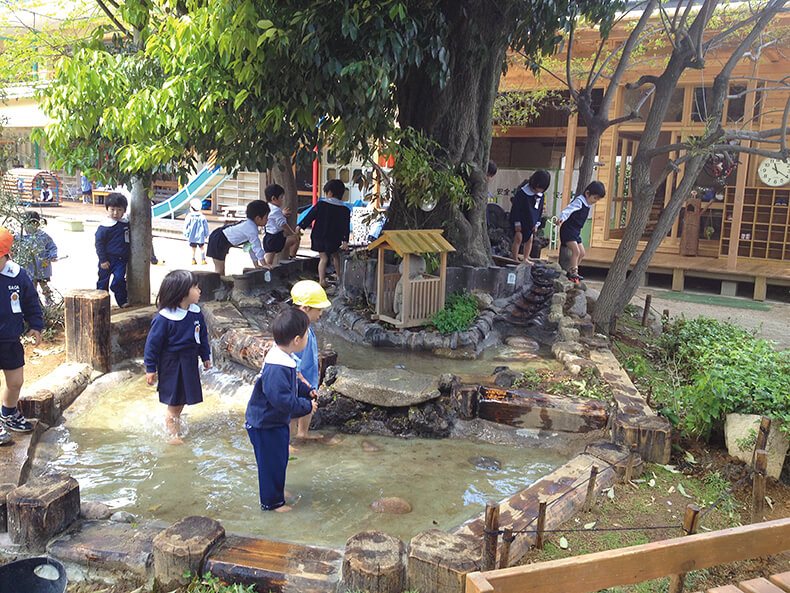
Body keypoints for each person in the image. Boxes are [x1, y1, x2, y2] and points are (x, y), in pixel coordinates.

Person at [246, 307, 317, 512]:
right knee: (270, 464)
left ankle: (276, 491)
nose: (307, 339)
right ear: (296, 340)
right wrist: (306, 406)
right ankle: (272, 503)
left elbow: (292, 383)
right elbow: (282, 401)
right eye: (306, 335)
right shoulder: (278, 366)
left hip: (272, 422)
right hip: (265, 424)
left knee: (279, 459)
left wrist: (307, 391)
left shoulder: (283, 357)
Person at [144, 270, 211, 444]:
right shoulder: (165, 318)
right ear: (182, 292)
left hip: (189, 361)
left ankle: (175, 422)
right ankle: (173, 432)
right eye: (195, 287)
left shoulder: (196, 312)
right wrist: (150, 368)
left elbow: (202, 336)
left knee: (183, 397)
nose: (199, 291)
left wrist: (205, 355)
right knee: (174, 398)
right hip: (172, 364)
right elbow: (152, 344)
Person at [0, 226, 43, 445]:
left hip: (10, 339)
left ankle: (8, 414)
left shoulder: (17, 275)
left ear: (8, 255)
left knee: (15, 381)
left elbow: (30, 301)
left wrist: (35, 324)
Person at [290, 280, 331, 440]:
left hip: (310, 376)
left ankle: (303, 433)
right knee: (292, 412)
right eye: (319, 309)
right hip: (299, 379)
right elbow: (292, 359)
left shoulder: (307, 327)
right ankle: (287, 441)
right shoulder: (296, 332)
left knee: (309, 403)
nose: (321, 313)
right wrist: (301, 378)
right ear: (305, 308)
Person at [296, 179, 350, 287]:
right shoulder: (345, 209)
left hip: (319, 236)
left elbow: (310, 216)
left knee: (323, 258)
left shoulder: (321, 205)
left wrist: (300, 226)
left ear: (329, 192)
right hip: (334, 238)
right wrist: (345, 241)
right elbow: (345, 226)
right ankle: (339, 277)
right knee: (335, 256)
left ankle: (322, 280)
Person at [557, 181, 606, 282]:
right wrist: (562, 217)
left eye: (597, 199)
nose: (595, 201)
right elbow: (569, 209)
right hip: (568, 230)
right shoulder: (580, 201)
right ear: (587, 193)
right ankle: (573, 273)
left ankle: (573, 271)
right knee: (576, 251)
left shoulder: (587, 204)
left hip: (576, 231)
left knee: (582, 253)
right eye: (595, 198)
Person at [205, 199, 270, 276]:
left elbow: (251, 247)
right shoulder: (251, 229)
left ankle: (220, 285)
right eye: (266, 217)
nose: (267, 220)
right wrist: (264, 264)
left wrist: (256, 264)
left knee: (221, 271)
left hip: (221, 238)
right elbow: (257, 248)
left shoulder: (250, 225)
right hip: (218, 240)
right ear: (258, 218)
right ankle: (216, 286)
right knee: (219, 270)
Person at [95, 192, 130, 308]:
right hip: (107, 260)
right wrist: (103, 260)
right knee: (102, 282)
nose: (115, 213)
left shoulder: (125, 224)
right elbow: (99, 244)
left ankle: (122, 301)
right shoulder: (104, 227)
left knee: (119, 279)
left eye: (119, 210)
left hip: (120, 260)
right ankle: (100, 304)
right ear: (107, 209)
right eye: (112, 209)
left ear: (124, 210)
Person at [510, 170, 551, 265]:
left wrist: (537, 223)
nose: (537, 192)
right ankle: (515, 258)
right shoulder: (522, 193)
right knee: (518, 239)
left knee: (530, 239)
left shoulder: (541, 196)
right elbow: (516, 209)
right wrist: (517, 223)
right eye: (536, 189)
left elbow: (540, 210)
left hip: (531, 222)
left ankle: (526, 257)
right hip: (520, 221)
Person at [17, 211, 58, 303]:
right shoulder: (21, 237)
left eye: (31, 225)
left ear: (38, 224)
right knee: (31, 285)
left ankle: (49, 300)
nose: (28, 228)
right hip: (29, 268)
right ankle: (34, 302)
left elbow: (52, 247)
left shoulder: (43, 236)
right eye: (26, 225)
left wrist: (53, 256)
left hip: (42, 267)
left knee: (44, 284)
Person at [262, 184, 301, 266]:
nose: (282, 200)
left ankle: (263, 272)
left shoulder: (267, 207)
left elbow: (273, 217)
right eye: (281, 198)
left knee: (268, 260)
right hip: (276, 238)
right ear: (273, 198)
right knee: (295, 239)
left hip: (268, 237)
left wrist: (282, 214)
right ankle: (291, 258)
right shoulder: (276, 210)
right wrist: (292, 233)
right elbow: (283, 224)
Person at [183, 198, 210, 265]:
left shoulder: (189, 216)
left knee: (193, 248)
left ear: (191, 208)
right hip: (200, 235)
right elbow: (206, 226)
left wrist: (186, 233)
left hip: (192, 235)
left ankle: (193, 259)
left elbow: (186, 225)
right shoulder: (202, 217)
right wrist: (206, 234)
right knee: (202, 247)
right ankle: (203, 259)